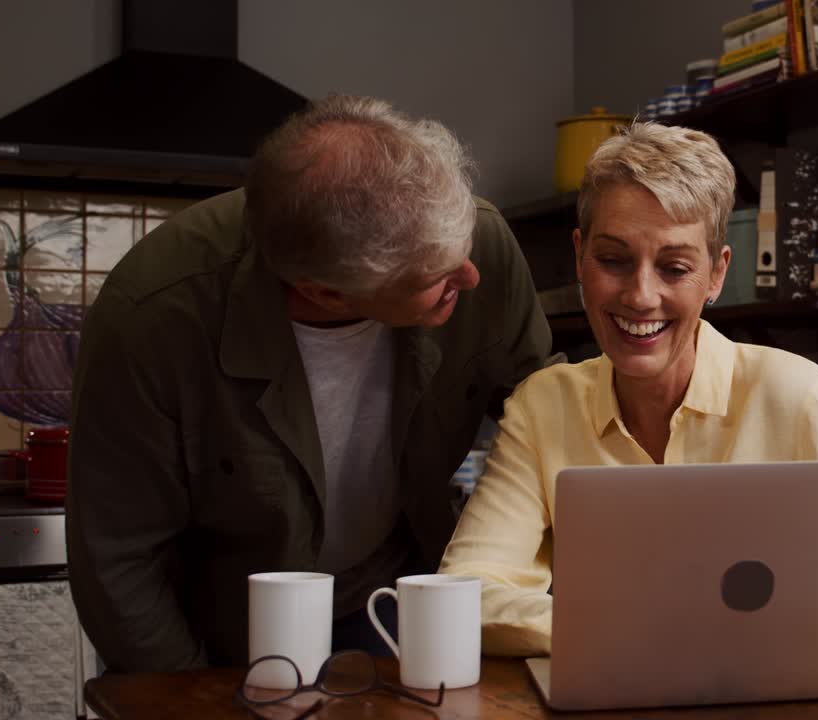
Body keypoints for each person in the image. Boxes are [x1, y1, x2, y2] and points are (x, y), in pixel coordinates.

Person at [439, 123, 818, 657]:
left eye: (674, 267)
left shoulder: (798, 397)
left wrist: (799, 622)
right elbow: (467, 594)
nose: (641, 295)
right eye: (613, 260)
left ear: (717, 274)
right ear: (580, 256)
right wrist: (644, 626)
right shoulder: (542, 406)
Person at [66, 95, 552, 672]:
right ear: (325, 293)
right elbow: (118, 561)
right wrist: (186, 699)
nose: (469, 278)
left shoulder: (480, 246)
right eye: (438, 280)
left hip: (389, 600)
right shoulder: (152, 317)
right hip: (218, 632)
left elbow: (547, 429)